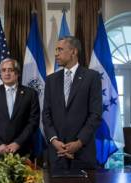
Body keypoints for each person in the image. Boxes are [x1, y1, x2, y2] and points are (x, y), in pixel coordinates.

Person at [42, 36, 102, 171]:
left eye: (60, 49)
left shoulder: (92, 77)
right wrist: (54, 140)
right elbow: (46, 114)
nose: (56, 54)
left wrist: (79, 142)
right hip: (57, 153)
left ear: (73, 52)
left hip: (83, 152)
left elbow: (95, 114)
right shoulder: (51, 80)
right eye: (56, 50)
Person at [0, 58, 39, 157]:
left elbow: (33, 121)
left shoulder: (30, 94)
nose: (7, 73)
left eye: (10, 70)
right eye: (3, 70)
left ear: (17, 73)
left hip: (22, 150)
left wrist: (18, 143)